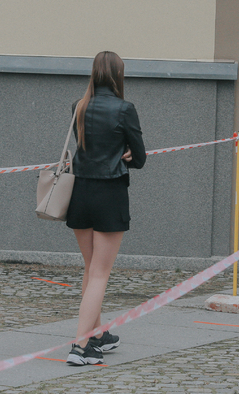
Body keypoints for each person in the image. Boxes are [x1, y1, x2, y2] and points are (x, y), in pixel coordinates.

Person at [65, 51, 146, 365]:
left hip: (80, 193)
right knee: (99, 273)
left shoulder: (78, 107)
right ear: (117, 76)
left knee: (90, 269)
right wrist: (126, 154)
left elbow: (87, 147)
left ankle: (98, 335)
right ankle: (80, 346)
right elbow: (139, 158)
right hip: (109, 193)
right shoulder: (125, 109)